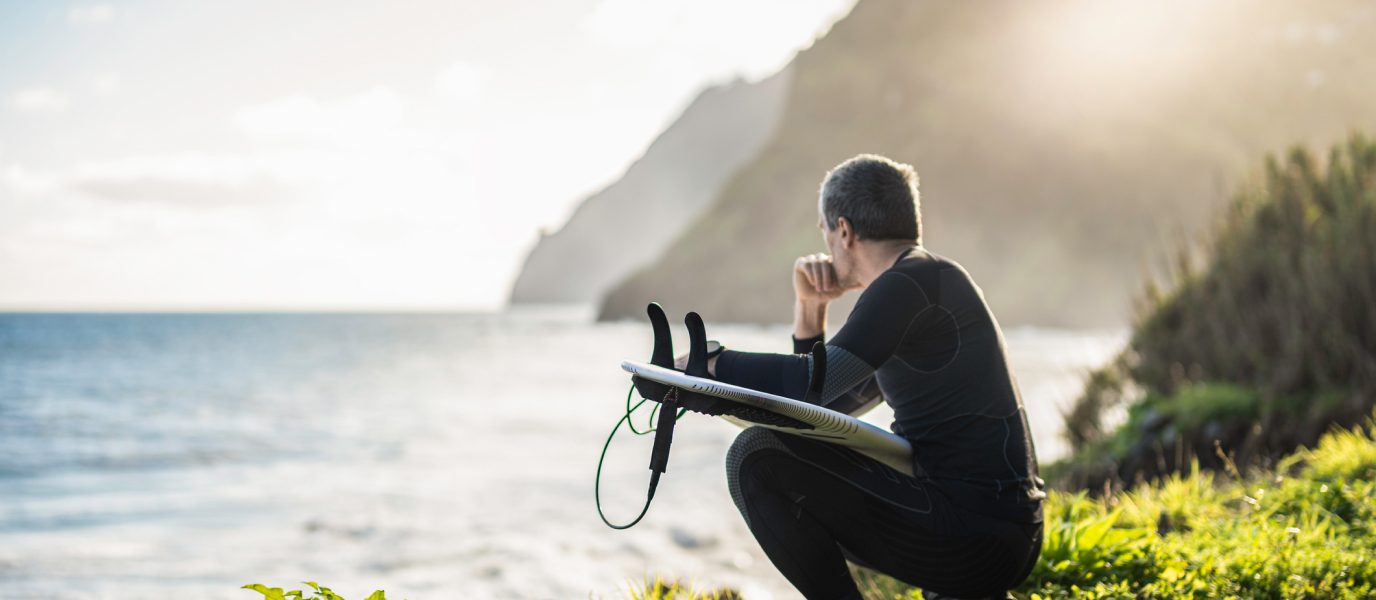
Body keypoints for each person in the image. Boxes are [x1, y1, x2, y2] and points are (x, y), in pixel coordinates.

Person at [683, 155, 1044, 600]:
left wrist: (710, 363)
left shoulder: (910, 283)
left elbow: (810, 384)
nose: (827, 245)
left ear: (845, 231)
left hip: (976, 536)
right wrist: (810, 311)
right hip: (999, 535)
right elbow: (818, 413)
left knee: (755, 457)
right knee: (784, 452)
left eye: (824, 232)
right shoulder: (926, 283)